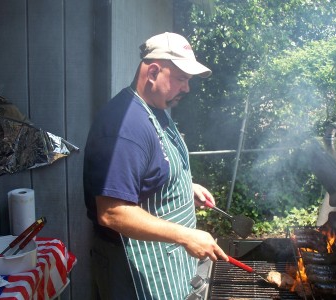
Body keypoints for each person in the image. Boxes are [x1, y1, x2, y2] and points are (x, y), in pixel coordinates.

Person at [83, 32, 229, 300]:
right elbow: (112, 212)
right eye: (182, 79)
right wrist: (186, 236)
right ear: (152, 72)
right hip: (135, 268)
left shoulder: (155, 109)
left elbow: (150, 171)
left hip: (165, 262)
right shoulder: (124, 128)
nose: (186, 88)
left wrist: (186, 187)